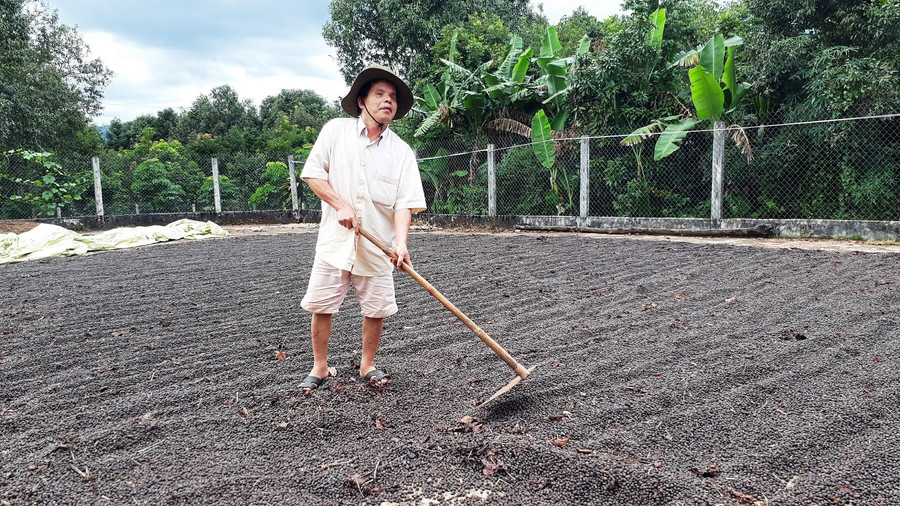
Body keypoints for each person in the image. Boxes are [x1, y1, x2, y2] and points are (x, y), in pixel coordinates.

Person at [298, 64, 426, 392]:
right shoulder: (335, 132)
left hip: (377, 245)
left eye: (393, 97)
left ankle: (367, 364)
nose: (388, 101)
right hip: (335, 242)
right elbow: (312, 173)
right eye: (380, 94)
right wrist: (340, 204)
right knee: (321, 304)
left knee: (376, 309)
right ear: (361, 101)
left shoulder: (402, 152)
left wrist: (401, 242)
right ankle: (321, 366)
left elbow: (404, 203)